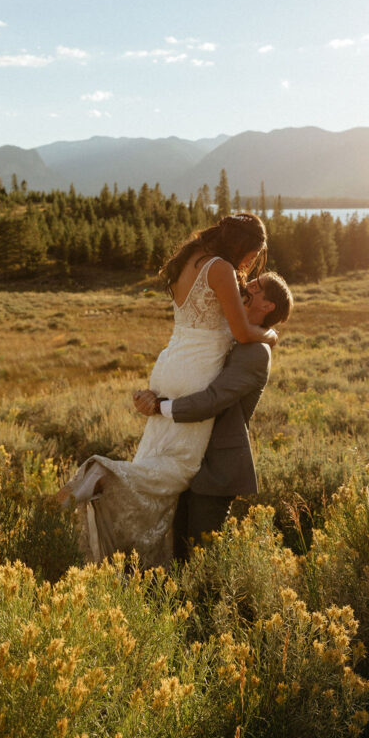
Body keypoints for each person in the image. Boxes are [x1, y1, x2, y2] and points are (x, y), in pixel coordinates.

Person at [58, 213, 276, 566]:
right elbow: (241, 333)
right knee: (180, 468)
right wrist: (271, 335)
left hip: (170, 365)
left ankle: (128, 552)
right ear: (240, 246)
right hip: (197, 373)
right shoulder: (220, 268)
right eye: (251, 253)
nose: (250, 263)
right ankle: (104, 474)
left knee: (154, 457)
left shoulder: (190, 259)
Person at [133, 271, 293, 560]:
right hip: (185, 455)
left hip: (215, 469)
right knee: (177, 552)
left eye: (256, 288)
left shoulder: (256, 352)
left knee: (202, 559)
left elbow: (213, 400)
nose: (246, 286)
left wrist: (161, 408)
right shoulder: (228, 332)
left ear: (268, 306)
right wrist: (154, 394)